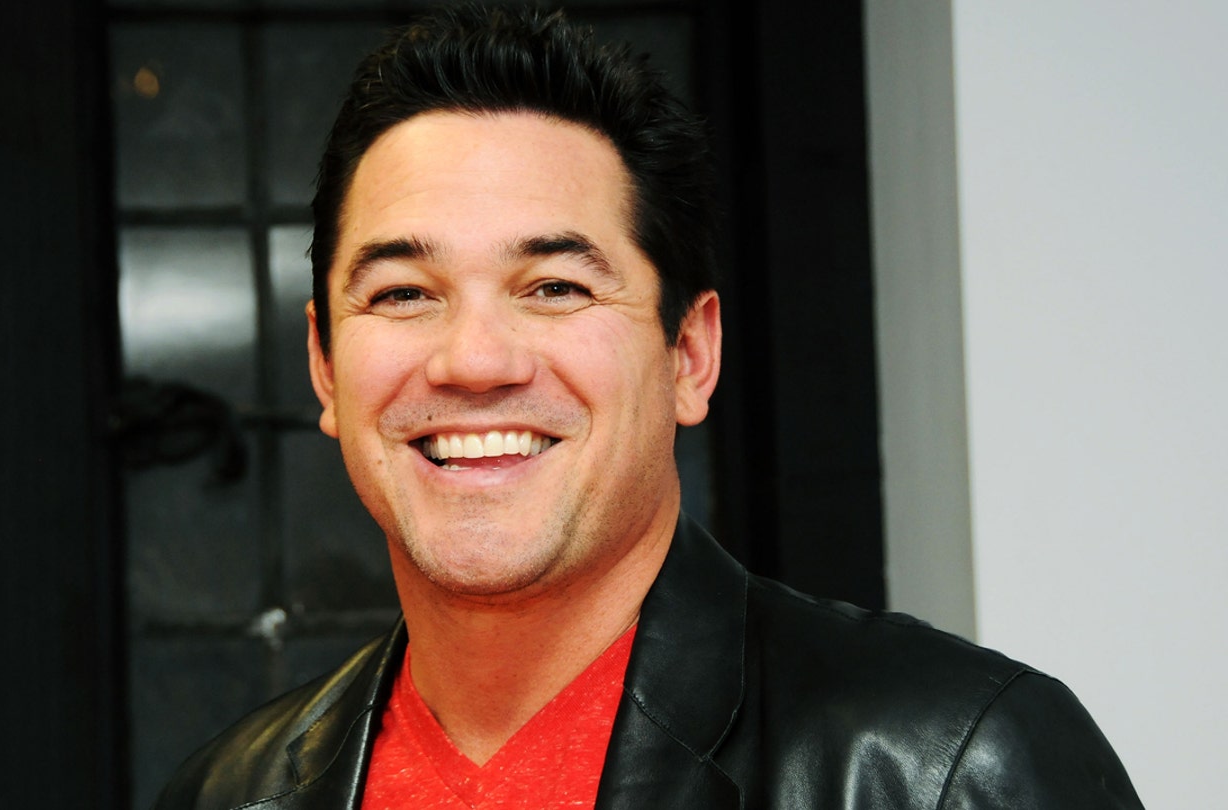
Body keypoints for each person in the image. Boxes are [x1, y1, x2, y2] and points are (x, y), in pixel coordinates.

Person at [154, 5, 1142, 808]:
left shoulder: (947, 770)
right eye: (405, 293)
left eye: (555, 287)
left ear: (689, 355)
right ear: (326, 366)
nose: (474, 360)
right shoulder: (229, 792)